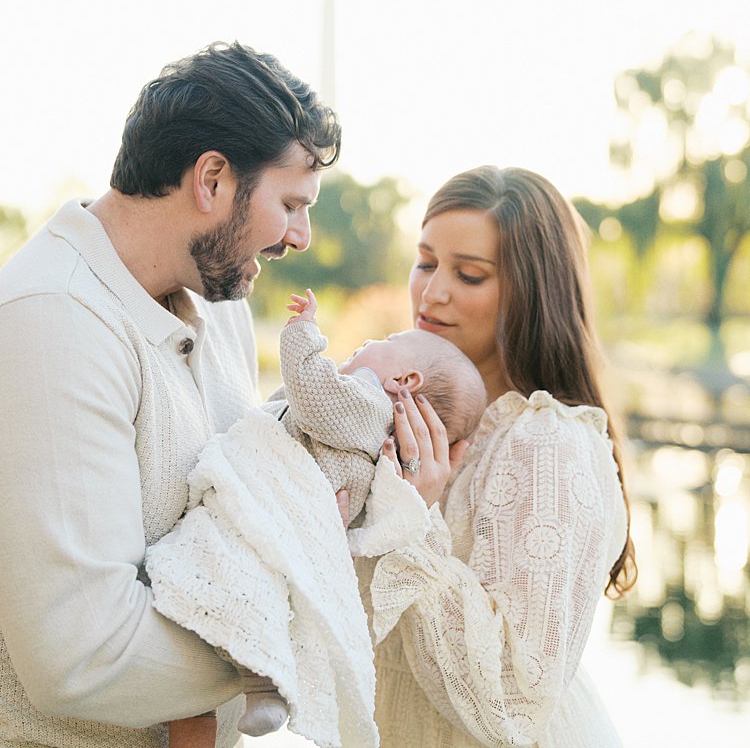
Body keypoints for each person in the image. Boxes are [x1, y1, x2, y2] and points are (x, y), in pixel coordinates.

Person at [0, 41, 341, 748]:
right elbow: (82, 657)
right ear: (212, 179)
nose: (302, 236)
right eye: (290, 203)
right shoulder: (51, 319)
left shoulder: (221, 303)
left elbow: (232, 495)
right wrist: (298, 624)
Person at [357, 165, 637, 748]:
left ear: (530, 291)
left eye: (470, 274)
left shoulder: (546, 443)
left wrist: (410, 521)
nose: (433, 292)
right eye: (427, 262)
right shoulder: (406, 406)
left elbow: (512, 701)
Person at [147, 287, 487, 747]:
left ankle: (247, 692)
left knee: (200, 588)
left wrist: (303, 332)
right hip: (286, 516)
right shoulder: (369, 433)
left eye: (386, 339)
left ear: (404, 381)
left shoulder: (366, 403)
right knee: (242, 601)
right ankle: (258, 687)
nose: (368, 344)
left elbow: (309, 390)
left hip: (271, 508)